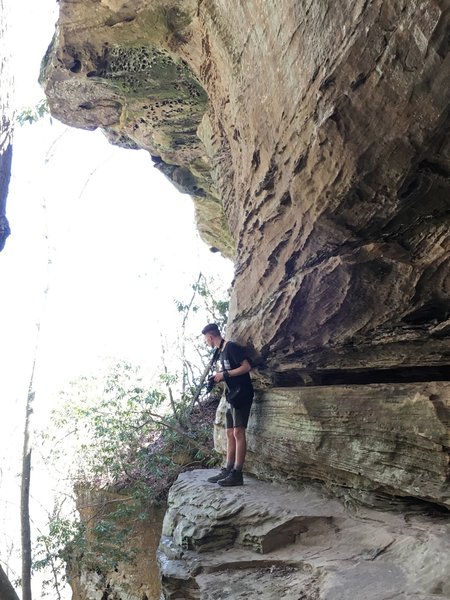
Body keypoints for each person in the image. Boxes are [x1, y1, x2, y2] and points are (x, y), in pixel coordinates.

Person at [202, 323, 254, 486]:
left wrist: (224, 374)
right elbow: (228, 374)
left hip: (242, 393)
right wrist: (218, 378)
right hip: (231, 395)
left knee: (238, 432)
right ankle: (228, 469)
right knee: (230, 432)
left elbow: (246, 367)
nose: (206, 342)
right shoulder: (220, 352)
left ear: (210, 337)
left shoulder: (231, 347)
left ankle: (237, 473)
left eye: (206, 339)